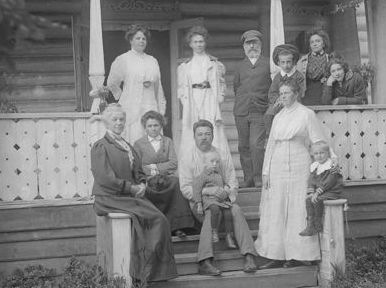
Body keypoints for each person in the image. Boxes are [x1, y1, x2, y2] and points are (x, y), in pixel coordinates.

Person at [90, 104, 177, 284]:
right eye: (114, 119)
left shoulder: (126, 145)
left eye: (121, 119)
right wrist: (131, 188)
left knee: (160, 219)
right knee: (156, 219)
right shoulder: (101, 146)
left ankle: (151, 272)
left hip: (127, 196)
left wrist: (143, 183)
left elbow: (138, 170)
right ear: (106, 122)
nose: (119, 123)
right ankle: (143, 273)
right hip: (109, 197)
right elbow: (105, 178)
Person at [255, 78, 337, 268]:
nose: (282, 96)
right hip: (277, 164)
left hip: (300, 162)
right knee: (277, 206)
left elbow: (318, 141)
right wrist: (266, 172)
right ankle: (275, 253)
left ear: (296, 94)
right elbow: (271, 145)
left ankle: (299, 254)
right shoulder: (278, 117)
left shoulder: (307, 114)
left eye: (286, 93)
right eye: (281, 93)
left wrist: (331, 160)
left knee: (298, 207)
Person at [178, 120, 258, 276]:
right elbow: (185, 188)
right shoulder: (187, 158)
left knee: (236, 210)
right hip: (200, 204)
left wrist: (226, 191)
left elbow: (232, 181)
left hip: (223, 201)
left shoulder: (221, 155)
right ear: (194, 137)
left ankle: (249, 255)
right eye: (200, 134)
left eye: (207, 134)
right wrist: (208, 191)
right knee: (211, 213)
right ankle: (205, 261)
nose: (204, 137)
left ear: (213, 136)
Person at [133, 110, 195, 238]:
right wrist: (154, 170)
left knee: (176, 182)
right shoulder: (138, 144)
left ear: (161, 126)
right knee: (146, 188)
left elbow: (173, 163)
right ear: (145, 127)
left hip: (166, 178)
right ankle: (154, 227)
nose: (153, 128)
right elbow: (138, 167)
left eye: (156, 125)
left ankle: (178, 226)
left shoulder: (168, 141)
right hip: (148, 179)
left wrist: (154, 167)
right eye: (150, 126)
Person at [102, 25, 166, 143]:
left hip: (150, 104)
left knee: (152, 136)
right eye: (138, 38)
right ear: (131, 40)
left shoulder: (152, 60)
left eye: (144, 39)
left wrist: (160, 107)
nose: (141, 41)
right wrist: (121, 95)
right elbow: (112, 82)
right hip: (131, 106)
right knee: (134, 136)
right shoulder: (123, 59)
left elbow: (158, 87)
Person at [177, 25, 229, 156]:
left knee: (212, 129)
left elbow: (222, 83)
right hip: (193, 99)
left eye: (201, 41)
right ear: (190, 44)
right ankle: (194, 163)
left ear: (205, 42)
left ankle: (215, 161)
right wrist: (185, 102)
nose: (198, 45)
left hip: (209, 98)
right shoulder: (185, 66)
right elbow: (181, 88)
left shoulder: (215, 64)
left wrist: (220, 98)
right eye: (195, 42)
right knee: (193, 130)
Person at [232, 30, 271, 188]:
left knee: (256, 144)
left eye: (255, 43)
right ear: (244, 47)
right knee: (243, 146)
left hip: (260, 109)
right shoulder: (240, 66)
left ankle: (258, 177)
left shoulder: (268, 63)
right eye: (248, 43)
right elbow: (236, 86)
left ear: (260, 45)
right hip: (241, 110)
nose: (252, 46)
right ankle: (248, 178)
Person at [193, 149, 236, 249]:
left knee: (228, 213)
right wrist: (199, 204)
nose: (215, 164)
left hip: (220, 199)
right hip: (209, 199)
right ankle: (214, 232)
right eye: (212, 161)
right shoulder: (202, 176)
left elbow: (225, 183)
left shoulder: (219, 174)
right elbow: (197, 190)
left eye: (217, 162)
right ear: (205, 163)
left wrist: (227, 187)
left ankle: (229, 236)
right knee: (215, 209)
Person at [300, 140, 344, 236]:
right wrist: (311, 193)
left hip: (331, 191)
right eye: (316, 153)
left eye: (322, 153)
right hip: (321, 192)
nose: (319, 156)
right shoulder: (315, 166)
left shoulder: (331, 166)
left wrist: (317, 193)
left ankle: (317, 223)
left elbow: (329, 182)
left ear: (328, 153)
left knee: (317, 200)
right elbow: (311, 181)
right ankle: (310, 225)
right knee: (308, 200)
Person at [264, 43, 306, 136]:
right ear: (278, 63)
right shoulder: (277, 77)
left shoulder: (298, 76)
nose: (286, 65)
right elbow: (272, 93)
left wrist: (290, 100)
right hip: (279, 103)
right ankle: (272, 136)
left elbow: (301, 92)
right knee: (269, 114)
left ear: (294, 62)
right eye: (283, 62)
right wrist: (278, 100)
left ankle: (291, 134)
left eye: (288, 62)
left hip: (294, 103)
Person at [297, 29, 331, 106]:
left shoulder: (330, 59)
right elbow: (298, 81)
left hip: (325, 93)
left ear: (324, 44)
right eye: (312, 42)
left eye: (317, 41)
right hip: (308, 94)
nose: (314, 44)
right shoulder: (302, 61)